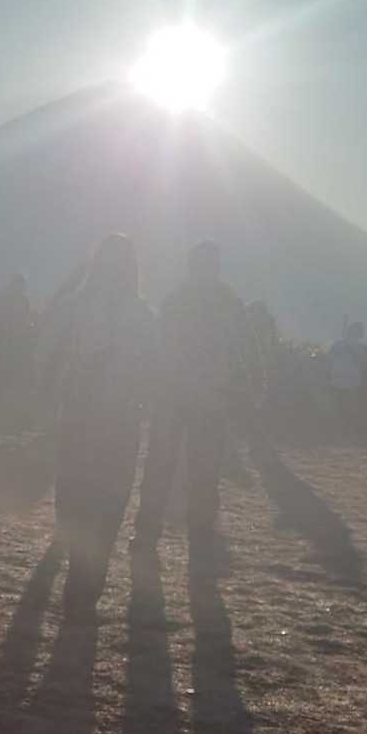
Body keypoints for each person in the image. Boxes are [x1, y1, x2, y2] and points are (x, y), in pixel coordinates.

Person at [132, 241, 262, 574]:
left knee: (163, 469)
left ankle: (147, 536)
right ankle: (195, 540)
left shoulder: (178, 300)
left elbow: (159, 347)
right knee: (201, 473)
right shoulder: (226, 301)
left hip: (178, 397)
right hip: (204, 399)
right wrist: (250, 385)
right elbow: (246, 348)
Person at [47, 235, 157, 613]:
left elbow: (47, 355)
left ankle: (81, 575)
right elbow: (156, 369)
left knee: (75, 494)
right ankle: (87, 582)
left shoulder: (76, 307)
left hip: (83, 414)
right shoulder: (142, 316)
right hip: (118, 418)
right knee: (107, 499)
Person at [326, 320, 367, 433]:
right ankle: (348, 429)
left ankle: (337, 428)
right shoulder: (361, 347)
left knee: (338, 405)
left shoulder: (336, 344)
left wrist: (329, 374)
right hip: (353, 380)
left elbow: (328, 361)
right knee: (350, 407)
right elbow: (364, 362)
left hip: (336, 379)